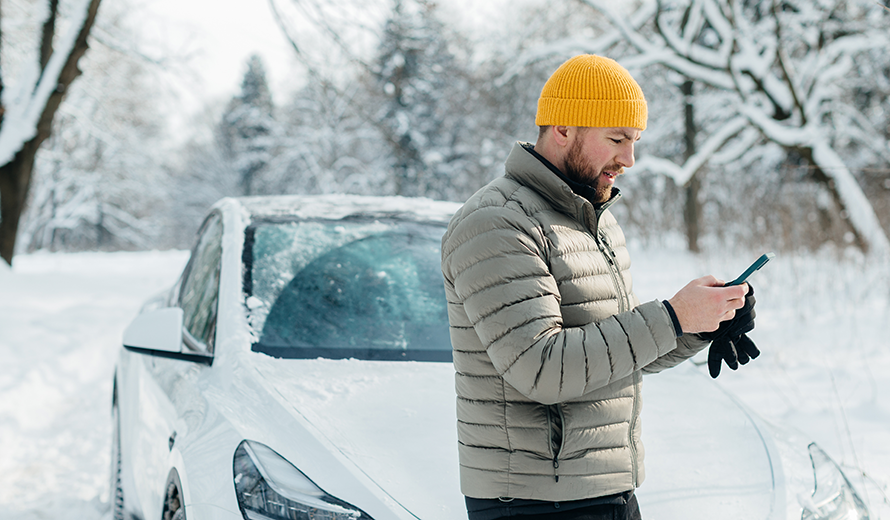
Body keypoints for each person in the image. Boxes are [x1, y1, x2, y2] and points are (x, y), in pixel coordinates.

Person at [440, 54, 758, 520]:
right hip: (536, 504)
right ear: (564, 128)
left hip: (608, 492)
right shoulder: (498, 222)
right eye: (617, 139)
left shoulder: (595, 224)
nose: (629, 159)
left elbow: (613, 360)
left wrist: (702, 323)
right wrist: (672, 316)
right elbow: (542, 368)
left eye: (635, 141)